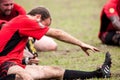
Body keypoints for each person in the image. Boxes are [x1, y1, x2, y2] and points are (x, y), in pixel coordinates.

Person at [0, 6, 112, 80]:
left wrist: (25, 60)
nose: (43, 29)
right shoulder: (26, 21)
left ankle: (99, 73)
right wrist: (81, 44)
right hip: (3, 64)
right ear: (38, 17)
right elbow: (57, 33)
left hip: (13, 64)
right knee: (24, 76)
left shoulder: (22, 22)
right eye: (43, 25)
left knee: (56, 71)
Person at [0, 0, 57, 64]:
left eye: (11, 4)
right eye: (6, 5)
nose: (9, 7)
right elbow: (4, 27)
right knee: (27, 56)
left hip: (18, 38)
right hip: (5, 43)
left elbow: (27, 26)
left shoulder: (18, 10)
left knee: (51, 45)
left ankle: (27, 51)